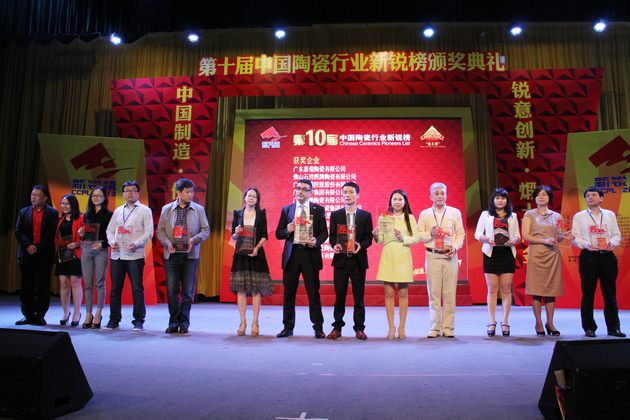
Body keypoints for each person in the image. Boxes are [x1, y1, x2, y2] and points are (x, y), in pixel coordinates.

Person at [275, 179, 328, 338]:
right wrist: (288, 230)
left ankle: (318, 327)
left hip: (310, 255)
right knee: (289, 293)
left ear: (310, 192)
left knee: (313, 293)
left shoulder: (318, 209)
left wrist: (316, 241)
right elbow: (278, 233)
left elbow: (324, 233)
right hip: (292, 255)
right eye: (298, 188)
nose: (300, 191)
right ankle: (287, 327)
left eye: (304, 189)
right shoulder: (287, 210)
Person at [157, 178, 210, 334]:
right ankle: (173, 321)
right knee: (172, 291)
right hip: (172, 254)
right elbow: (160, 230)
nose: (190, 194)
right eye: (187, 192)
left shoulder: (198, 210)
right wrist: (167, 242)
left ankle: (184, 322)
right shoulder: (167, 209)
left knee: (187, 291)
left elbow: (205, 230)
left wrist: (194, 239)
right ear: (178, 193)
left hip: (190, 255)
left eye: (192, 191)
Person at [571, 186, 625, 338]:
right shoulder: (579, 216)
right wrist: (586, 244)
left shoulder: (609, 215)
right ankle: (589, 327)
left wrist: (613, 243)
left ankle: (614, 328)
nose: (590, 197)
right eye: (588, 196)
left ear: (601, 198)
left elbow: (616, 235)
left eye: (594, 195)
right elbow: (575, 238)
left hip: (607, 257)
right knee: (588, 293)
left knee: (610, 293)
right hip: (589, 257)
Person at [418, 182, 465, 338]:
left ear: (446, 195)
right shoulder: (425, 214)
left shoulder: (455, 212)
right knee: (434, 293)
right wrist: (430, 234)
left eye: (442, 193)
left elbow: (460, 234)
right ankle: (434, 327)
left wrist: (456, 247)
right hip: (432, 256)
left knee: (450, 293)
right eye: (436, 194)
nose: (440, 196)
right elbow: (420, 235)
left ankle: (448, 327)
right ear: (430, 196)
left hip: (450, 256)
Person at [105, 180, 153, 331]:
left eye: (133, 190)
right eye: (127, 191)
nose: (130, 193)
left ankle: (138, 320)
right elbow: (110, 230)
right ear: (123, 194)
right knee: (115, 289)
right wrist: (111, 241)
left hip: (134, 255)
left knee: (137, 289)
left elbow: (149, 232)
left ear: (138, 193)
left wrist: (136, 243)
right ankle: (114, 320)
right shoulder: (118, 210)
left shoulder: (145, 210)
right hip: (117, 255)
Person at [328, 182, 373, 340]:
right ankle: (337, 327)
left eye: (351, 192)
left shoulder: (365, 215)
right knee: (339, 296)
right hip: (341, 261)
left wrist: (361, 245)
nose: (348, 195)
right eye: (345, 192)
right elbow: (332, 236)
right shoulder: (336, 215)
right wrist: (335, 245)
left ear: (357, 195)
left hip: (358, 261)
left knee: (358, 296)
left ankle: (359, 328)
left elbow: (369, 237)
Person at [474, 188, 521, 337]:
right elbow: (477, 234)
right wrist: (486, 239)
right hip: (491, 254)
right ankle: (492, 321)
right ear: (493, 200)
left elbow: (517, 236)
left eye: (503, 198)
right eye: (497, 198)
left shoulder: (513, 216)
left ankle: (505, 321)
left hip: (507, 254)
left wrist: (514, 240)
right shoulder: (485, 215)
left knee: (506, 289)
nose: (500, 201)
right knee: (492, 289)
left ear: (507, 200)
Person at [374, 189, 419, 340]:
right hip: (388, 255)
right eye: (395, 199)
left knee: (403, 293)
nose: (397, 202)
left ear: (405, 202)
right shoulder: (384, 217)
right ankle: (391, 327)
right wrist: (376, 235)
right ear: (391, 201)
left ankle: (402, 327)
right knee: (389, 293)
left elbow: (416, 238)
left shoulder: (410, 217)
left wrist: (403, 238)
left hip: (403, 255)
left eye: (400, 199)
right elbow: (380, 240)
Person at [522, 185, 566, 336]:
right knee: (536, 290)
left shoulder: (556, 216)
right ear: (534, 198)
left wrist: (564, 235)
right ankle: (539, 322)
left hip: (552, 254)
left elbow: (558, 236)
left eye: (545, 195)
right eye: (538, 195)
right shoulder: (529, 214)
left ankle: (550, 322)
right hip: (537, 254)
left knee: (551, 290)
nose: (541, 197)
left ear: (549, 198)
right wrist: (543, 240)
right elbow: (525, 236)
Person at [229, 188, 273, 336]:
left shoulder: (261, 214)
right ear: (245, 198)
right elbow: (233, 237)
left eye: (254, 196)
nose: (251, 198)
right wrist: (236, 233)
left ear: (257, 199)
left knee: (256, 289)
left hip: (256, 254)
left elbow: (265, 235)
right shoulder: (238, 214)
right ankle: (242, 322)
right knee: (241, 289)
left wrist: (257, 248)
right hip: (240, 254)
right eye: (249, 195)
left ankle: (255, 322)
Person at [15, 185, 59, 326]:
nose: (33, 197)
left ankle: (40, 315)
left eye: (37, 195)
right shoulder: (24, 212)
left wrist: (38, 248)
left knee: (42, 287)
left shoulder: (52, 213)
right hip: (26, 254)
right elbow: (18, 231)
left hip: (44, 255)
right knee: (26, 286)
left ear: (45, 198)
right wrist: (28, 245)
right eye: (32, 194)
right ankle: (28, 315)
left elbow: (51, 233)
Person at [78, 186, 112, 329]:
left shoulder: (109, 215)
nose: (96, 198)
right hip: (86, 249)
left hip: (100, 249)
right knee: (87, 284)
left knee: (100, 283)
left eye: (99, 195)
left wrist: (102, 244)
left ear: (104, 198)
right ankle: (88, 313)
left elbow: (113, 235)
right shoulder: (87, 214)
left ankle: (98, 313)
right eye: (93, 195)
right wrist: (81, 233)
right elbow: (86, 233)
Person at [55, 194, 84, 327]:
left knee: (74, 282)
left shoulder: (81, 218)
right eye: (62, 203)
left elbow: (89, 236)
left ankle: (77, 313)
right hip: (63, 255)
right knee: (63, 284)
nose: (64, 206)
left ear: (73, 205)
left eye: (67, 203)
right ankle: (66, 313)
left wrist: (77, 244)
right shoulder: (60, 220)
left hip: (76, 255)